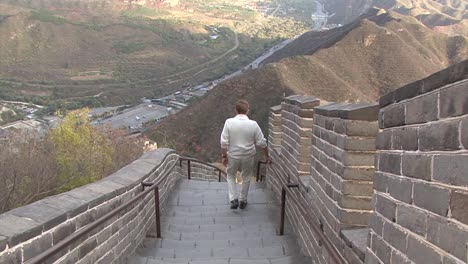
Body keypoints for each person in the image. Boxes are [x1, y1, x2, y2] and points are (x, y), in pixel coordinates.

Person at [220, 100, 271, 209]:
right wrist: (267, 156)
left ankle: (233, 199)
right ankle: (243, 200)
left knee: (231, 176)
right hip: (248, 156)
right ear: (247, 110)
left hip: (233, 155)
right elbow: (262, 142)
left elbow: (223, 142)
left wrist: (224, 156)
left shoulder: (229, 122)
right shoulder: (253, 124)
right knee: (246, 177)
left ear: (236, 110)